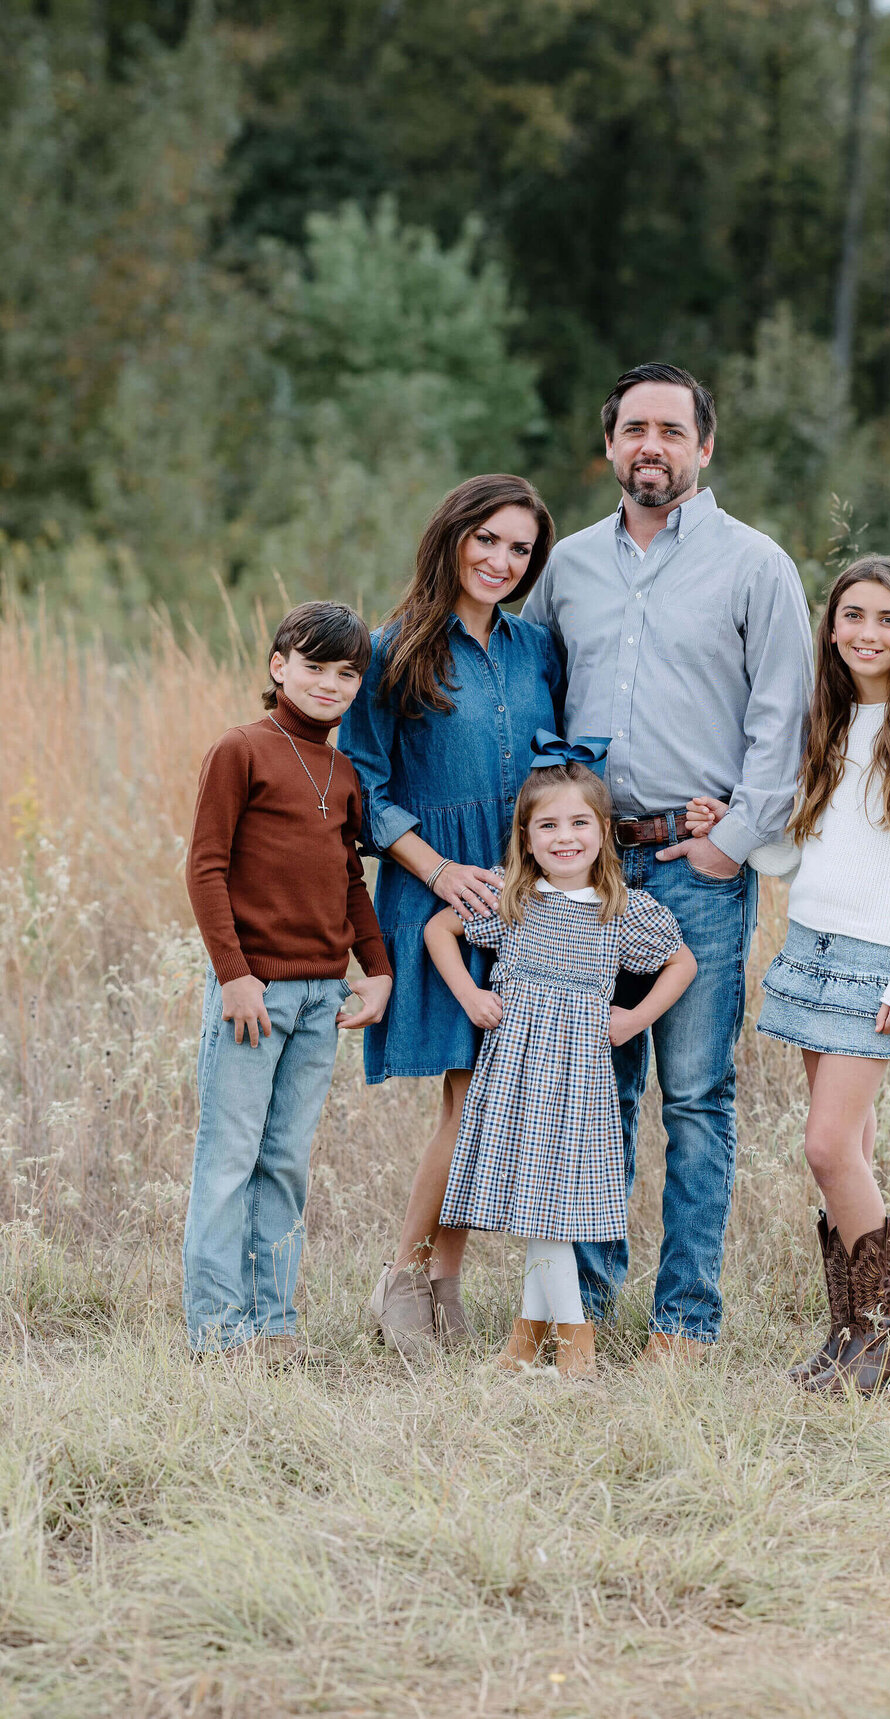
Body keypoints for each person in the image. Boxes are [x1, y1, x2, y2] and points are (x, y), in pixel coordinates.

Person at [522, 362, 814, 1356]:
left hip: (700, 872)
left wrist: (732, 845)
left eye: (671, 430)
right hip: (589, 874)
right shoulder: (567, 565)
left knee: (696, 1095)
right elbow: (538, 702)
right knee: (597, 1085)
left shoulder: (755, 565)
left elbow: (785, 721)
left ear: (705, 445)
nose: (652, 445)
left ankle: (685, 1320)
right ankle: (587, 1312)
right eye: (633, 428)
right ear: (608, 445)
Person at [693, 556, 890, 1396]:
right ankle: (848, 1336)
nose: (866, 633)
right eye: (852, 615)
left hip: (879, 965)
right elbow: (805, 846)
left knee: (824, 1145)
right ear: (832, 625)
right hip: (811, 951)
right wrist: (738, 828)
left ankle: (883, 1338)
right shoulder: (827, 715)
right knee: (847, 1146)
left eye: (886, 619)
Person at [338, 474, 562, 1360]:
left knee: (488, 1097)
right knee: (470, 1100)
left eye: (520, 549)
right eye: (489, 540)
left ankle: (440, 1285)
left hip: (526, 899)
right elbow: (365, 788)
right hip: (438, 890)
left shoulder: (538, 649)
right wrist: (437, 872)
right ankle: (405, 1281)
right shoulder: (392, 652)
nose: (502, 560)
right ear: (452, 537)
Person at [426, 743, 696, 1376]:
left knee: (552, 1206)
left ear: (604, 833)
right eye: (547, 825)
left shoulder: (621, 910)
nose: (564, 837)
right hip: (518, 1071)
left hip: (576, 1081)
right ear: (526, 835)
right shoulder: (515, 900)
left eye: (579, 824)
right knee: (536, 1203)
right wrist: (471, 996)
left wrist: (633, 1019)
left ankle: (575, 1344)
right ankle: (526, 1343)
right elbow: (439, 929)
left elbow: (682, 963)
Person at [183, 602, 394, 1362]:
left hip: (319, 998)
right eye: (314, 667)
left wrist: (377, 970)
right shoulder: (240, 750)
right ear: (279, 666)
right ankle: (216, 1330)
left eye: (347, 673)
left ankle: (274, 1325)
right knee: (230, 1157)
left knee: (285, 1162)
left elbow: (349, 881)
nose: (330, 684)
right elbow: (204, 867)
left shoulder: (343, 772)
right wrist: (233, 975)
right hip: (255, 995)